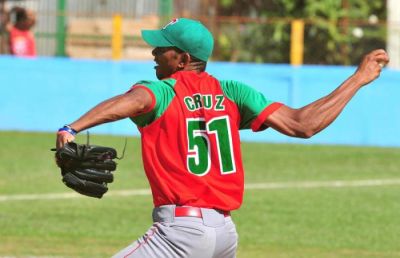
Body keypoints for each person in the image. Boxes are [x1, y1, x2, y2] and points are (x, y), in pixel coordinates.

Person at [55, 18, 389, 258]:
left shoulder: (161, 91)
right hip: (224, 237)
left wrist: (72, 128)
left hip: (181, 234)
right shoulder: (232, 93)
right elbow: (304, 124)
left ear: (183, 60)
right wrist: (358, 79)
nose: (154, 52)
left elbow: (133, 102)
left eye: (163, 48)